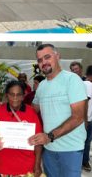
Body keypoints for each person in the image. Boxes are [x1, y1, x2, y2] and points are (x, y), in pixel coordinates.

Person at [28, 44, 87, 177]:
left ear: (57, 56)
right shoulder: (42, 86)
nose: (44, 62)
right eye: (40, 60)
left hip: (70, 149)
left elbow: (78, 117)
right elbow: (32, 110)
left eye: (47, 57)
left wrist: (49, 137)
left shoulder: (72, 80)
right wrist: (7, 106)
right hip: (48, 150)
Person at [0, 80, 43, 176]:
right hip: (1, 166)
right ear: (7, 95)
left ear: (23, 96)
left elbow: (38, 141)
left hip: (26, 167)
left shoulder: (31, 112)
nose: (15, 98)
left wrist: (37, 164)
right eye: (11, 94)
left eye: (18, 95)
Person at [83, 65, 92, 172]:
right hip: (86, 120)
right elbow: (85, 102)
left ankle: (84, 160)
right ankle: (84, 161)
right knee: (85, 142)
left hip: (89, 119)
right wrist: (85, 120)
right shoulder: (87, 84)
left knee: (87, 142)